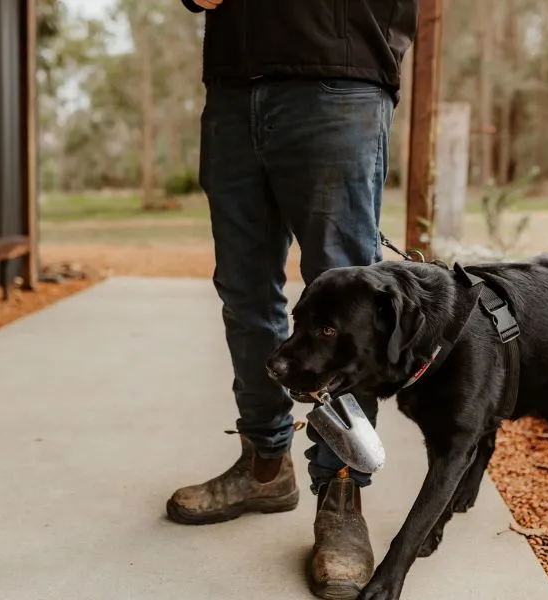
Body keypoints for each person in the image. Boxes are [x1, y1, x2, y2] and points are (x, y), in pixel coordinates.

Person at [167, 0, 417, 597]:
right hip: (234, 86)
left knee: (346, 303)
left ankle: (342, 495)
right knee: (244, 290)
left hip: (339, 74)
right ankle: (265, 463)